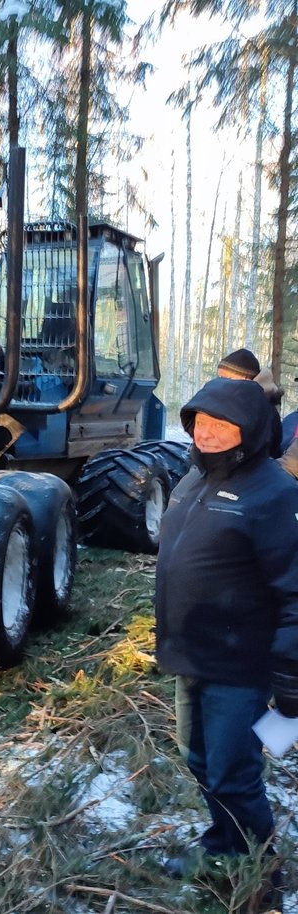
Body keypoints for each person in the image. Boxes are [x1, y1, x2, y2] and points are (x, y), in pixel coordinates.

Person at [155, 376, 298, 894]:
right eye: (200, 422)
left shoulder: (274, 492)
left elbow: (294, 591)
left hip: (239, 665)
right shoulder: (191, 479)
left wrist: (288, 673)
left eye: (223, 424)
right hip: (190, 655)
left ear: (252, 428)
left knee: (233, 772)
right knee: (200, 760)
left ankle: (259, 871)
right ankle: (223, 845)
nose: (208, 433)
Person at [217, 348, 282, 458]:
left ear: (246, 379)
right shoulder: (236, 402)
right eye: (219, 378)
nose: (221, 383)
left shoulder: (261, 410)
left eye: (227, 378)